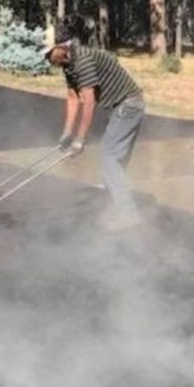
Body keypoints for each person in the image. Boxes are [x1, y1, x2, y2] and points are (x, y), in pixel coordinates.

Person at [45, 15, 145, 230]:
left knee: (109, 158)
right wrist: (67, 134)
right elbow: (73, 98)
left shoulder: (83, 61)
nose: (47, 58)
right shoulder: (68, 64)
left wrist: (80, 140)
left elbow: (88, 103)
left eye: (48, 53)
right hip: (122, 106)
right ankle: (117, 203)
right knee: (114, 160)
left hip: (128, 106)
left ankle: (128, 215)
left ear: (62, 47)